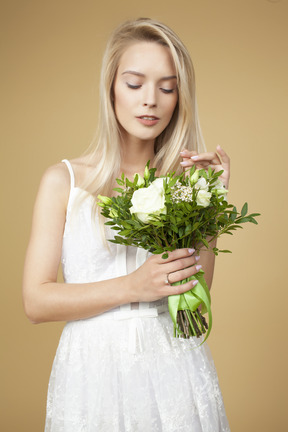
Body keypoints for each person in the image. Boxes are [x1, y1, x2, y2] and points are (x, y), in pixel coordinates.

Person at [22, 18, 230, 432]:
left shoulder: (182, 183)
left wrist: (212, 201)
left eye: (167, 88)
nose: (150, 100)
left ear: (179, 97)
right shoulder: (63, 181)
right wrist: (132, 287)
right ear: (110, 88)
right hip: (91, 378)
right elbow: (35, 302)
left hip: (176, 372)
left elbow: (193, 302)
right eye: (135, 84)